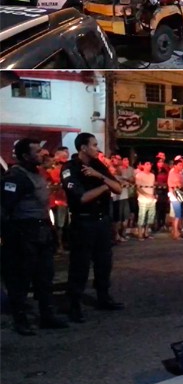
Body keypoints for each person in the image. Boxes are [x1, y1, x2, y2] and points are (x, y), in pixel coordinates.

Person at [1, 138, 69, 335]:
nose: (44, 153)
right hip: (23, 236)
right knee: (20, 280)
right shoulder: (15, 178)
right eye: (38, 151)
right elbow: (5, 210)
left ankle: (47, 316)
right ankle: (20, 321)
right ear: (25, 156)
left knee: (45, 277)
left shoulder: (37, 173)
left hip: (41, 234)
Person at [61, 133, 124, 323]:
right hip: (83, 222)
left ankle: (103, 297)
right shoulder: (70, 169)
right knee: (80, 265)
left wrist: (101, 177)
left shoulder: (98, 166)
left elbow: (119, 188)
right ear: (83, 148)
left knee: (104, 262)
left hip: (102, 221)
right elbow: (82, 197)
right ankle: (74, 305)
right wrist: (105, 186)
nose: (97, 148)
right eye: (94, 145)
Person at [135, 160, 156, 240]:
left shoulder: (152, 175)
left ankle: (146, 232)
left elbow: (153, 186)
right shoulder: (139, 175)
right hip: (142, 199)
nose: (149, 166)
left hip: (151, 199)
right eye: (147, 164)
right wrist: (146, 194)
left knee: (150, 216)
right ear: (143, 166)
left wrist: (154, 195)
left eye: (150, 164)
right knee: (142, 216)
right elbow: (138, 187)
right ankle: (140, 234)